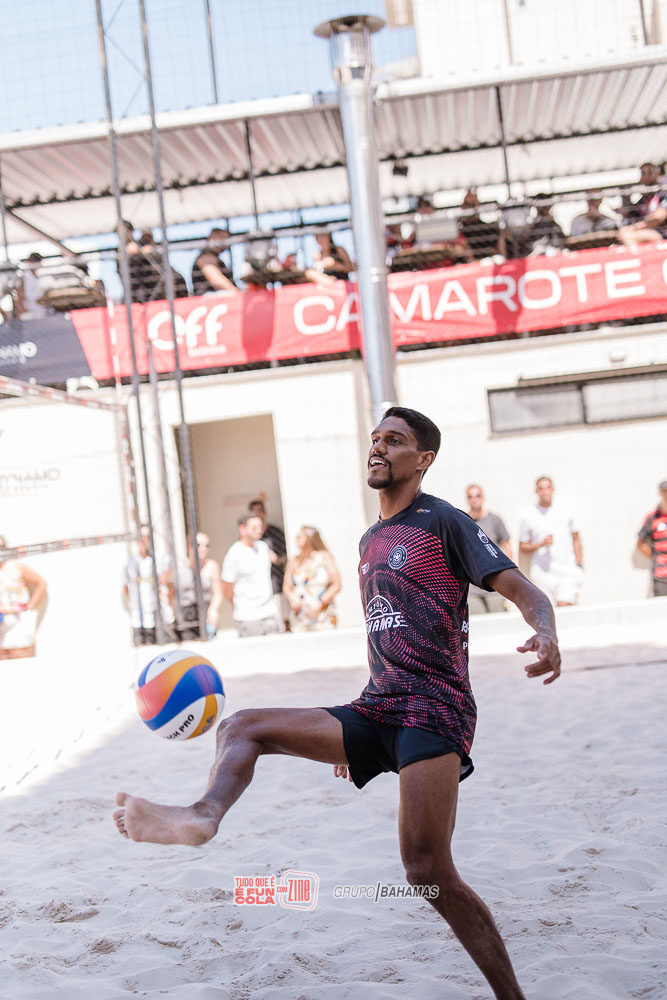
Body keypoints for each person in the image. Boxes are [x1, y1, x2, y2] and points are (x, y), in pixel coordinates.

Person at [113, 406, 561, 1000]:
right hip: (376, 708)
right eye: (375, 438)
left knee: (427, 869)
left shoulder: (444, 521)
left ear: (423, 459)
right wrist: (354, 736)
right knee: (242, 726)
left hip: (433, 710)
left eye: (394, 441)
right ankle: (201, 815)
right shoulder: (371, 538)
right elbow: (388, 635)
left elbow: (523, 590)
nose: (378, 448)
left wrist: (546, 631)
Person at [519, 476, 583, 607]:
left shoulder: (566, 510)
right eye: (541, 489)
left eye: (547, 488)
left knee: (565, 605)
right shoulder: (528, 514)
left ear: (553, 489)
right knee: (548, 611)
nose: (544, 492)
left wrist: (578, 564)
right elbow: (523, 545)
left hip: (566, 569)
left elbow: (576, 538)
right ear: (536, 491)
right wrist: (540, 544)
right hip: (542, 572)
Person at [221, 513, 284, 637]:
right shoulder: (234, 554)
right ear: (242, 529)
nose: (259, 530)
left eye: (260, 527)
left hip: (270, 612)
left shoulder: (263, 547)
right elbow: (227, 586)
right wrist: (238, 604)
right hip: (248, 616)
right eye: (254, 527)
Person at [465, 484, 512, 613]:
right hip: (472, 588)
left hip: (495, 586)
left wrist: (507, 577)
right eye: (470, 496)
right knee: (478, 622)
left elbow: (507, 547)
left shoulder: (494, 520)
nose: (474, 499)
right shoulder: (463, 521)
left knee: (498, 620)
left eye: (477, 496)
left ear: (483, 497)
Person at [283, 525, 341, 631]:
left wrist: (320, 603)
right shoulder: (294, 561)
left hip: (322, 612)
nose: (297, 539)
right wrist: (292, 598)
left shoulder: (324, 557)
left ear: (310, 539)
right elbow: (287, 586)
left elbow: (336, 584)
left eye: (300, 537)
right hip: (300, 615)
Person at [0, 536, 47, 659]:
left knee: (19, 654)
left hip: (18, 620)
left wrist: (30, 607)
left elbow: (41, 583)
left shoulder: (16, 566)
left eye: (2, 547)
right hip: (1, 621)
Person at [171, 533, 223, 640]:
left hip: (205, 611)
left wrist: (213, 610)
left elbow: (218, 593)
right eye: (198, 545)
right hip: (186, 612)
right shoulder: (180, 566)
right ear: (189, 546)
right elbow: (171, 592)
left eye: (206, 546)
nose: (203, 549)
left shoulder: (211, 566)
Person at [123, 525, 169, 647]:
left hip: (156, 609)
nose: (144, 540)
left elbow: (166, 579)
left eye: (147, 537)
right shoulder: (131, 560)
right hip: (138, 612)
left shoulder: (159, 558)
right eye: (142, 537)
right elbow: (126, 585)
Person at [618, 162, 667, 247]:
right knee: (624, 233)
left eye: (650, 172)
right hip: (648, 231)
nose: (646, 176)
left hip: (662, 233)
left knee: (628, 236)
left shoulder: (663, 192)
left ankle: (636, 255)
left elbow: (657, 219)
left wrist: (633, 228)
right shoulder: (645, 198)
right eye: (643, 173)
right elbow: (633, 215)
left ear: (657, 173)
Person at [636, 479, 667, 597]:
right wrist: (656, 557)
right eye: (664, 492)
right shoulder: (652, 518)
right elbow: (640, 543)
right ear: (660, 494)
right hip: (661, 576)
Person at [457, 189, 504, 260]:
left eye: (472, 205)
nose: (468, 208)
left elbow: (495, 251)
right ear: (462, 206)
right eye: (466, 204)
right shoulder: (459, 229)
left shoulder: (487, 229)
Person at [191, 228, 236, 295]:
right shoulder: (205, 258)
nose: (225, 243)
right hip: (210, 298)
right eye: (222, 238)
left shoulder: (218, 260)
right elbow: (216, 281)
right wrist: (237, 293)